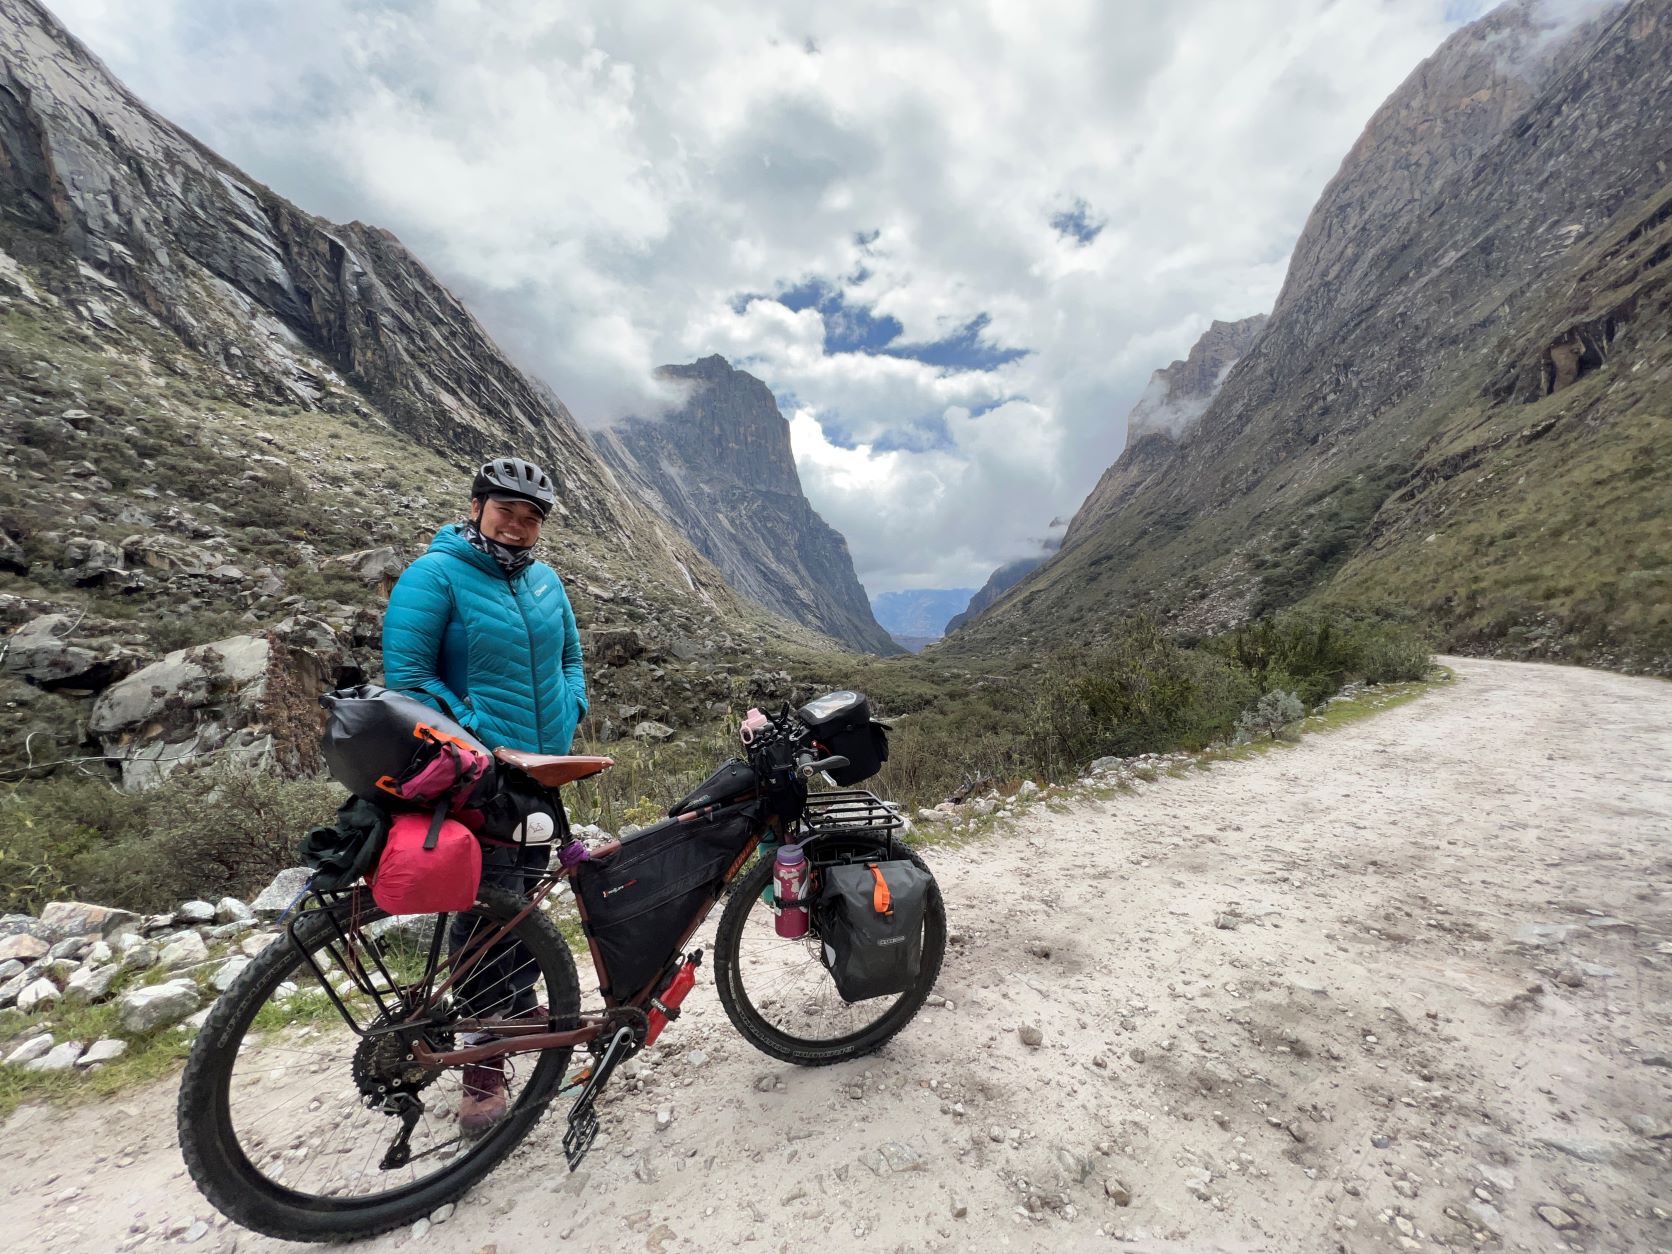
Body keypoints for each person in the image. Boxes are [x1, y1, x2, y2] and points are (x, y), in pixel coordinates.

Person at [382, 455, 587, 1135]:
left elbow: (570, 657)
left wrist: (572, 704)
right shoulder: (435, 575)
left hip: (543, 767)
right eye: (506, 511)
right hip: (478, 770)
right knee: (488, 905)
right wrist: (475, 731)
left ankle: (519, 1004)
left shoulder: (547, 582)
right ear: (476, 508)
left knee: (529, 892)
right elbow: (407, 677)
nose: (519, 526)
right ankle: (480, 1056)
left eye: (531, 517)